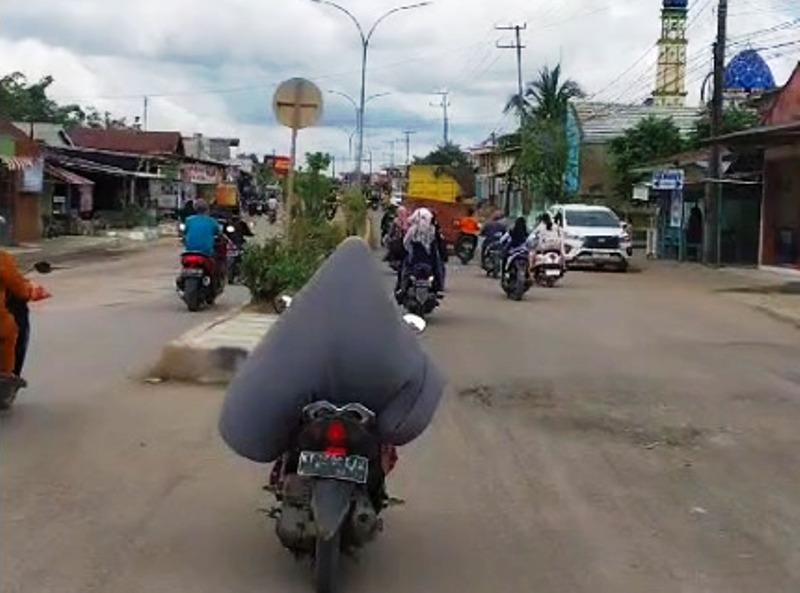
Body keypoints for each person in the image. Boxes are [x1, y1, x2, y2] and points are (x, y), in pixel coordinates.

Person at [0, 250, 49, 380]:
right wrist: (29, 290)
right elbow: (20, 289)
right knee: (9, 332)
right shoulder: (2, 259)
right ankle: (6, 375)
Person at [397, 208, 444, 298]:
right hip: (428, 259)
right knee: (438, 269)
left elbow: (405, 243)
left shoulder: (413, 230)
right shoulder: (432, 230)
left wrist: (410, 251)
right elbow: (437, 244)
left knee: (404, 270)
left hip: (415, 258)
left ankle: (402, 289)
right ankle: (438, 288)